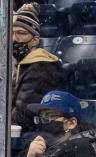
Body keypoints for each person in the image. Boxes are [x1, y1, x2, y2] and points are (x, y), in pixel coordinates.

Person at [10, 3, 62, 135]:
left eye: (21, 33)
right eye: (12, 33)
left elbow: (25, 113)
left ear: (35, 40)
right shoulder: (24, 65)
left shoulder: (42, 67)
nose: (15, 39)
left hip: (37, 134)